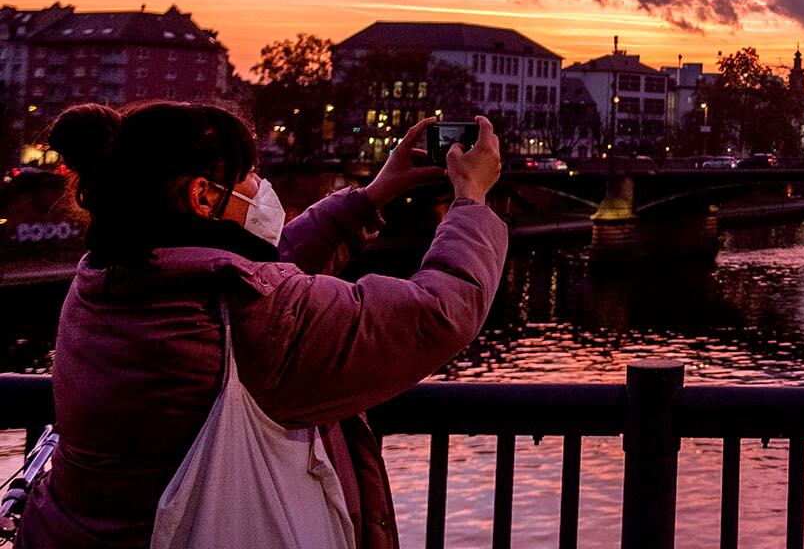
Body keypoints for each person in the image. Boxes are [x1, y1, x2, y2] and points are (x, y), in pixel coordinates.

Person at [21, 102, 508, 549]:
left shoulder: (108, 281)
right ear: (203, 196)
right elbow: (438, 311)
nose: (261, 185)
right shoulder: (251, 318)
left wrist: (373, 196)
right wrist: (472, 199)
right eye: (250, 174)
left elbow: (249, 281)